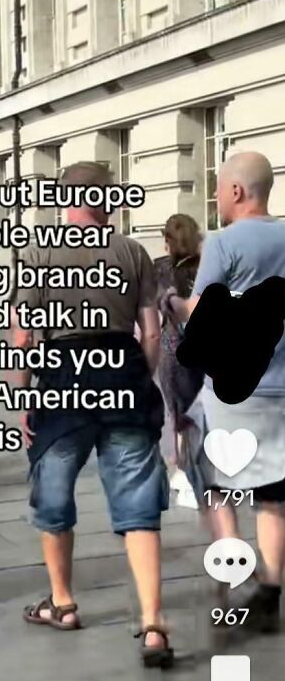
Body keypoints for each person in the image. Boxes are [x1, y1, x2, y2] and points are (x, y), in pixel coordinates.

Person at [13, 162, 171, 668]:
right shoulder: (132, 252)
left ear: (64, 200)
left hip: (63, 375)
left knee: (54, 490)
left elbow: (23, 335)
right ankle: (152, 623)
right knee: (137, 500)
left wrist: (23, 396)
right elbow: (151, 331)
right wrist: (140, 375)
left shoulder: (38, 253)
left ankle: (62, 604)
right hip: (122, 368)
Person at [167, 152, 285, 631]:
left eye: (217, 187)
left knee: (215, 483)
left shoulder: (224, 242)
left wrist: (176, 304)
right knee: (274, 493)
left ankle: (234, 574)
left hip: (233, 390)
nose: (216, 197)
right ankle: (271, 588)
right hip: (282, 385)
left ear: (236, 191)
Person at [153, 215, 203, 507]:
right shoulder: (207, 265)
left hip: (172, 349)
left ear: (168, 240)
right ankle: (194, 469)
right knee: (200, 412)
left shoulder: (160, 268)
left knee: (178, 413)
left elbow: (156, 308)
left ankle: (185, 473)